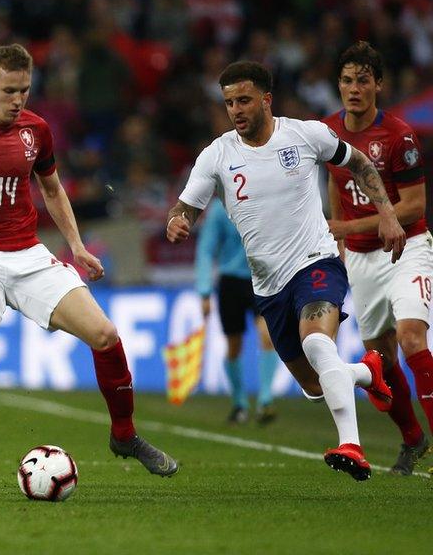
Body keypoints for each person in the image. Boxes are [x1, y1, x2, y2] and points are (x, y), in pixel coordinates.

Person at [0, 44, 178, 501]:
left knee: (105, 334)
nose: (18, 100)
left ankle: (124, 435)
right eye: (9, 91)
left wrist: (76, 245)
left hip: (28, 254)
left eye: (25, 91)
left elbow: (52, 189)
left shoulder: (37, 129)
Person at [167, 60, 405, 481]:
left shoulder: (305, 134)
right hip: (268, 285)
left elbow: (359, 163)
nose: (236, 110)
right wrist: (178, 220)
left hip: (317, 262)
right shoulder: (218, 154)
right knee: (314, 387)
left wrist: (386, 212)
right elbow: (186, 205)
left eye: (243, 100)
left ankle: (351, 443)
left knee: (316, 342)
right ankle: (368, 370)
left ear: (266, 99)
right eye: (228, 103)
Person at [323, 41, 433, 476]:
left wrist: (345, 229)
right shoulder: (328, 132)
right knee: (381, 362)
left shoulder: (399, 136)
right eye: (347, 80)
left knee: (410, 339)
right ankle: (412, 439)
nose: (354, 88)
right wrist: (340, 243)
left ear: (378, 86)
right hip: (361, 261)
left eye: (363, 80)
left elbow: (413, 206)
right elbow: (335, 184)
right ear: (339, 85)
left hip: (407, 249)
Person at [195, 200, 280, 425]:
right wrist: (204, 291)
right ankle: (239, 402)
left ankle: (265, 399)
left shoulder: (265, 200)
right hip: (231, 282)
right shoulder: (219, 210)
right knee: (234, 345)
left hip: (261, 279)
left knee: (267, 335)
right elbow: (206, 248)